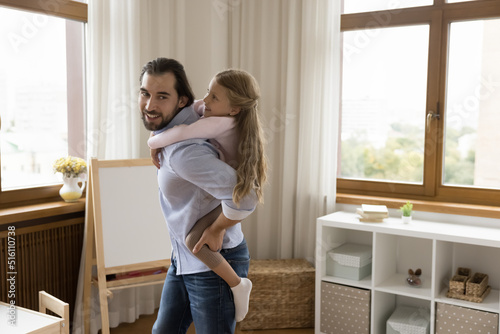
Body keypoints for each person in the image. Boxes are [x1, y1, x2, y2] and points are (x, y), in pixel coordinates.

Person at [138, 58, 266, 334]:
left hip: (212, 262)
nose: (150, 105)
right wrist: (158, 139)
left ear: (181, 100)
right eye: (145, 93)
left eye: (162, 96)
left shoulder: (186, 153)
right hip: (184, 258)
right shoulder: (199, 115)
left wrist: (218, 228)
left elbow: (245, 197)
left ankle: (237, 286)